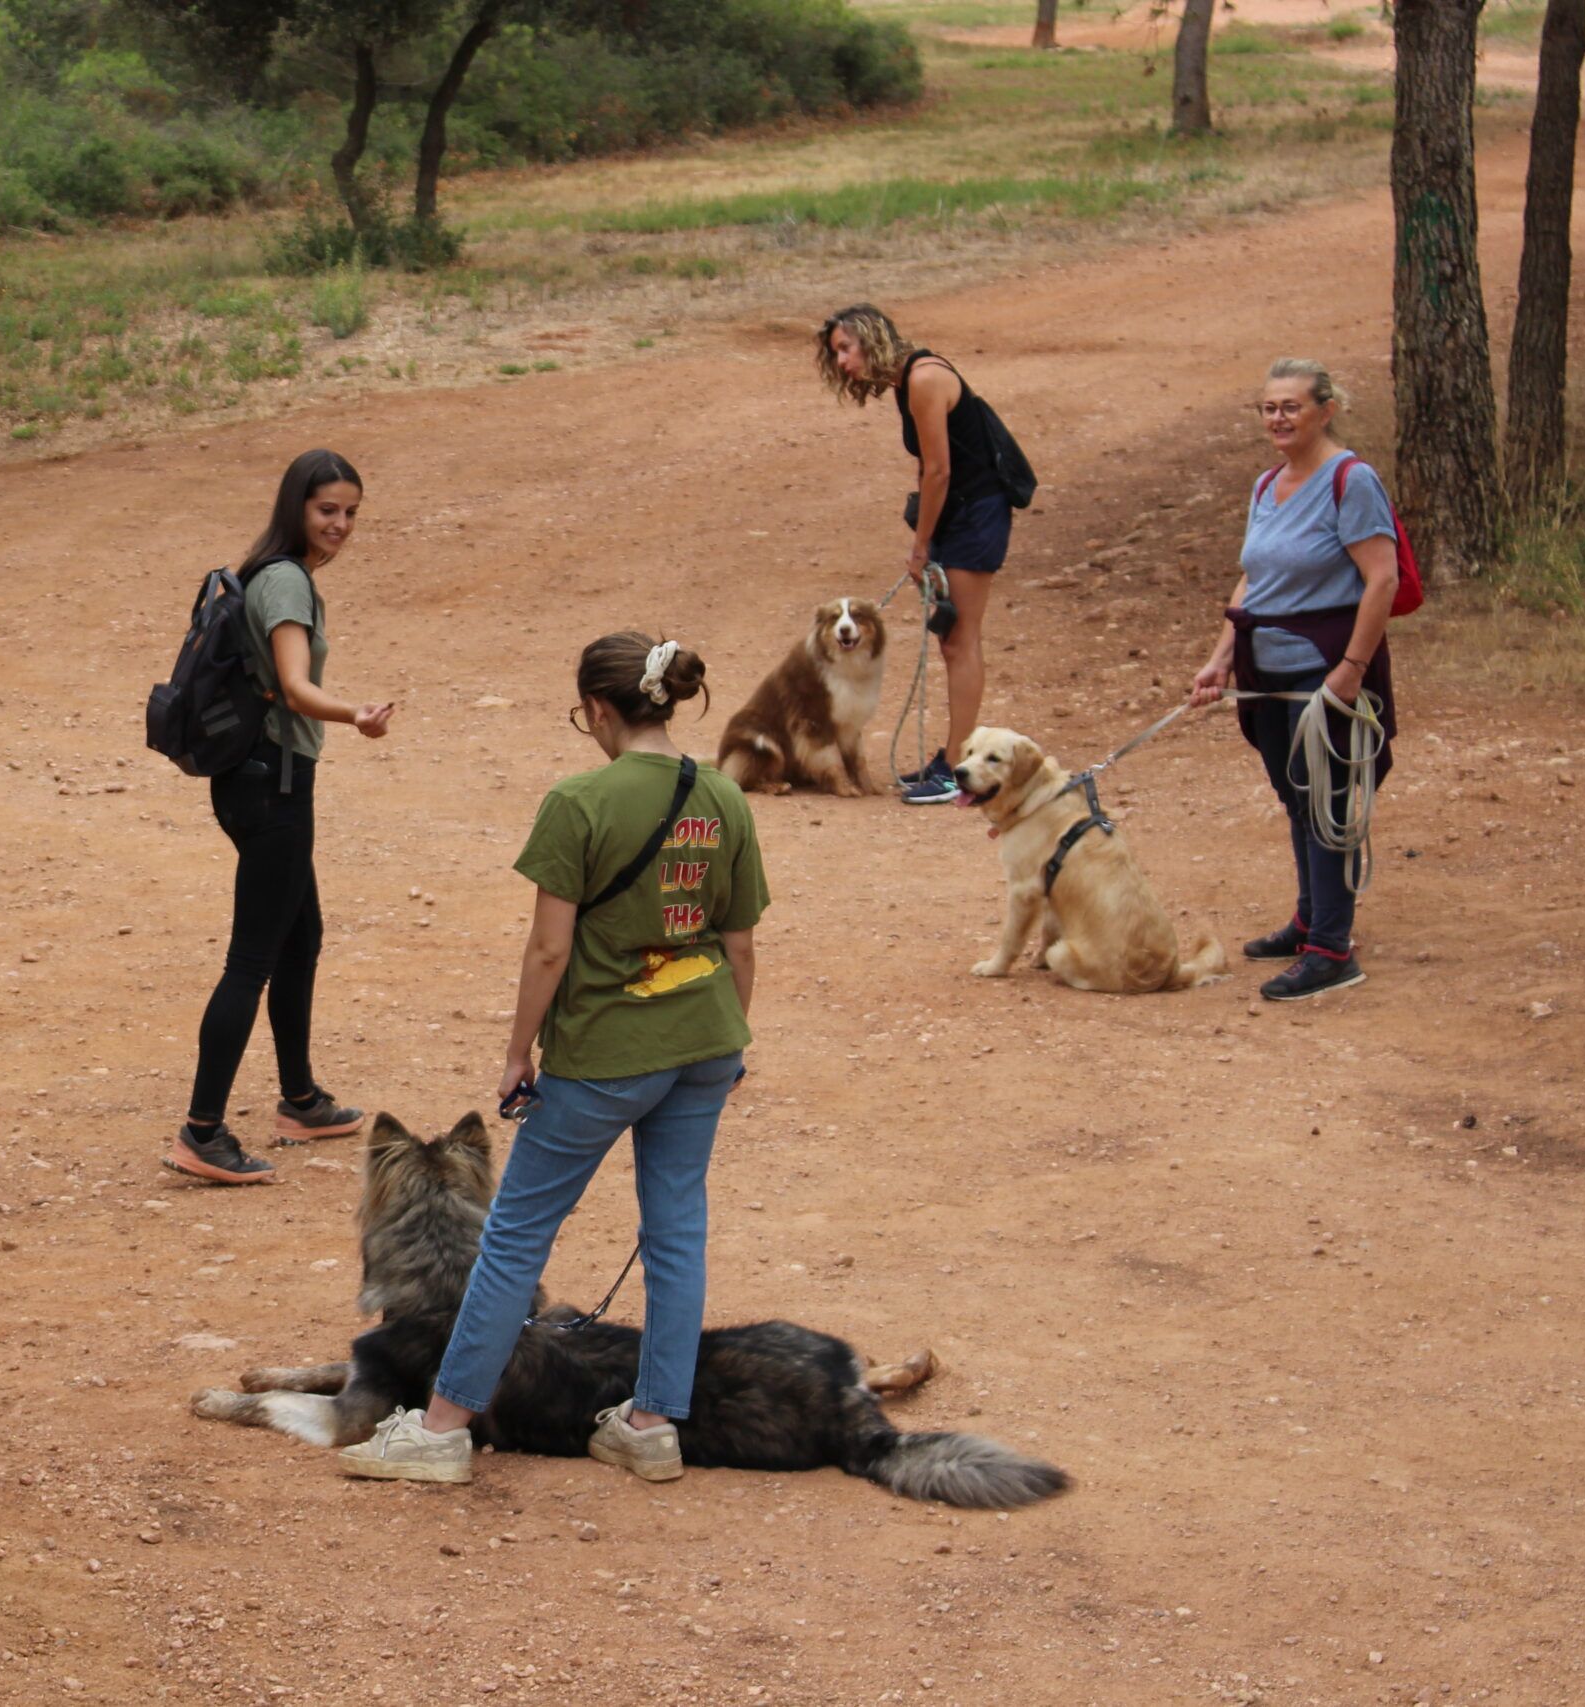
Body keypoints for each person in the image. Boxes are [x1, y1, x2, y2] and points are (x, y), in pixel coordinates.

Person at [337, 633, 767, 1485]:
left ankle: (442, 1428)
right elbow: (741, 942)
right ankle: (652, 1423)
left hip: (607, 1050)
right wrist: (726, 1045)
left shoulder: (579, 801)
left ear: (599, 709)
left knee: (515, 1238)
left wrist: (518, 1051)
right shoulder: (724, 794)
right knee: (676, 1230)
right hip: (707, 1039)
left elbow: (548, 948)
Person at [167, 450, 396, 1186]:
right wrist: (355, 714)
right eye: (328, 509)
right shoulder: (288, 581)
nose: (341, 524)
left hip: (255, 779)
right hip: (274, 786)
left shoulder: (268, 571)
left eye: (351, 512)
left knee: (302, 935)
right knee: (251, 961)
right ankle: (202, 1132)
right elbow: (296, 688)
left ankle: (301, 1100)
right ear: (297, 505)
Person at [1189, 358, 1397, 1002]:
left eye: (1291, 406)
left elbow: (1382, 578)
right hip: (1267, 668)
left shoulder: (1351, 480)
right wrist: (1222, 656)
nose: (1278, 418)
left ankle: (1332, 949)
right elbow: (1254, 578)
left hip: (1324, 671)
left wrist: (1351, 671)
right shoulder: (1266, 484)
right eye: (1269, 407)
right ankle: (1311, 920)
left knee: (1325, 804)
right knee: (1295, 795)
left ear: (1325, 411)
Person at [817, 303, 1014, 804]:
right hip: (959, 513)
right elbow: (930, 467)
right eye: (837, 353)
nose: (842, 362)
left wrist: (920, 545)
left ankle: (957, 769)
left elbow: (939, 471)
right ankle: (953, 756)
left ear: (871, 339)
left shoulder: (923, 379)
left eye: (846, 349)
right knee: (952, 639)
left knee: (961, 640)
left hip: (975, 514)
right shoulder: (906, 381)